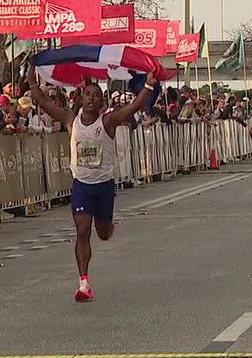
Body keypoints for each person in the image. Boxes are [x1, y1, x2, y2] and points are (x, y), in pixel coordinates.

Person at [28, 67, 158, 303]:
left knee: (104, 234)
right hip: (82, 186)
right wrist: (31, 79)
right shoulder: (71, 120)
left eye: (96, 95)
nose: (91, 98)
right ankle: (84, 282)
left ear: (101, 102)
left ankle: (107, 225)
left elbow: (134, 107)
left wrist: (148, 85)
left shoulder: (108, 121)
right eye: (88, 94)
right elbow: (44, 103)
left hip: (104, 186)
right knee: (82, 229)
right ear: (81, 97)